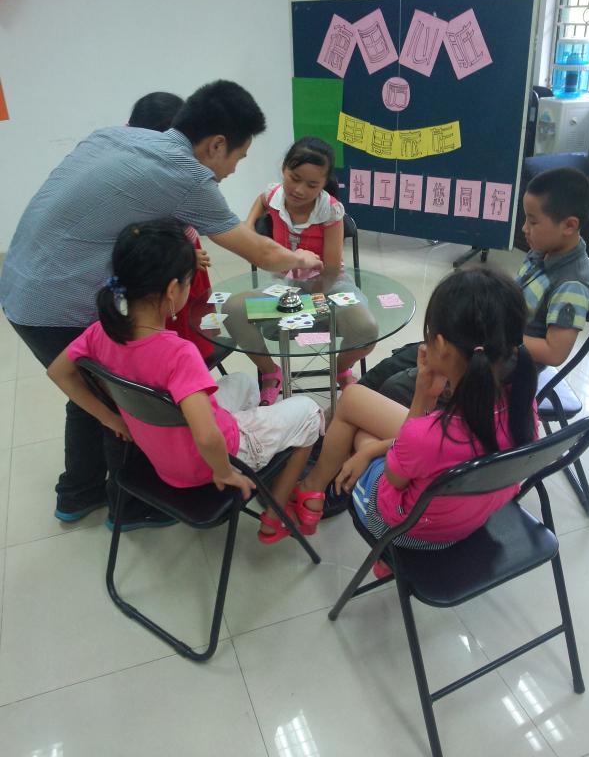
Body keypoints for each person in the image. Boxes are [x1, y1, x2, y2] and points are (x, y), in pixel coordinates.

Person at [0, 80, 324, 527]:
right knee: (124, 401)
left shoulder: (114, 136)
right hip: (55, 301)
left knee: (95, 391)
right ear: (216, 145)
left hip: (19, 284)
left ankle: (77, 493)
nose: (233, 170)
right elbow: (261, 251)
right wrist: (303, 258)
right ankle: (128, 506)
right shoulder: (187, 176)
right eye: (239, 157)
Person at [47, 221, 323, 538]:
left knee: (244, 383)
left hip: (161, 454)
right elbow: (206, 437)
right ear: (171, 290)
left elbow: (58, 371)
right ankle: (275, 512)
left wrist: (110, 419)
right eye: (190, 282)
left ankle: (261, 439)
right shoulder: (179, 354)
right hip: (205, 464)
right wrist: (224, 472)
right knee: (311, 411)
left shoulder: (100, 332)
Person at [288, 268, 538, 568]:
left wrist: (420, 398)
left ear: (441, 347)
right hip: (471, 518)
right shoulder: (524, 406)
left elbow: (398, 472)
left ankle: (311, 491)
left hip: (407, 531)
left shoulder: (427, 436)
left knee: (359, 428)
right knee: (355, 400)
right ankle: (318, 487)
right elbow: (434, 445)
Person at [359, 167, 589, 406]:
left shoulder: (573, 285)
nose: (524, 228)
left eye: (533, 221)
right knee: (392, 366)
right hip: (480, 344)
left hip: (498, 370)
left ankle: (374, 418)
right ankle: (346, 413)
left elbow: (554, 353)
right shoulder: (543, 251)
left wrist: (494, 336)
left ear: (569, 226)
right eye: (526, 218)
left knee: (395, 388)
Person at [225, 136, 378, 404]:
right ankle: (270, 372)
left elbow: (331, 269)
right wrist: (248, 226)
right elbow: (262, 200)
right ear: (284, 168)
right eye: (294, 178)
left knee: (366, 329)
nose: (299, 190)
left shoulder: (331, 211)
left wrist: (314, 298)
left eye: (312, 185)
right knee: (232, 310)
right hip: (285, 282)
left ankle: (341, 367)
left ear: (324, 183)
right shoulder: (274, 195)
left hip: (329, 284)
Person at [127, 91, 215, 360]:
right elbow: (144, 233)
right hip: (168, 261)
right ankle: (185, 367)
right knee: (176, 329)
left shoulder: (174, 163)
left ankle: (199, 359)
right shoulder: (134, 176)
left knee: (199, 320)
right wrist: (183, 257)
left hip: (186, 251)